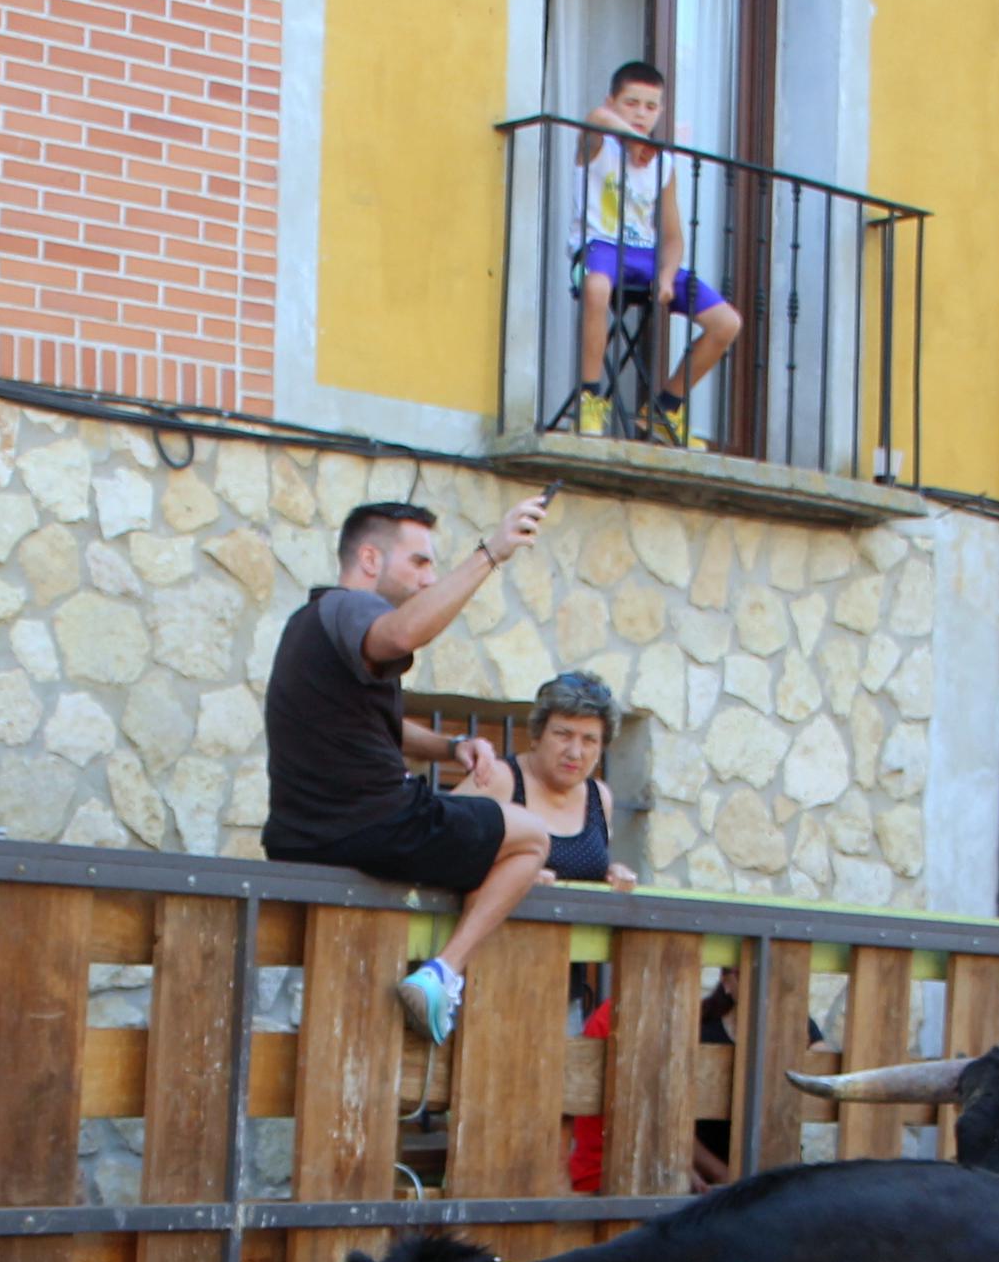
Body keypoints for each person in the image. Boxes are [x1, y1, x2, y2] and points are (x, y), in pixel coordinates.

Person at [260, 497, 560, 1043]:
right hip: (374, 827)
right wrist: (491, 553)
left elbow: (384, 729)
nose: (429, 578)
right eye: (419, 562)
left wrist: (451, 747)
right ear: (370, 559)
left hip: (303, 837)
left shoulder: (310, 624)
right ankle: (442, 974)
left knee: (491, 810)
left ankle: (469, 904)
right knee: (531, 838)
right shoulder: (354, 608)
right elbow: (401, 636)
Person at [568, 61, 744, 446]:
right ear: (612, 102)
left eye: (651, 106)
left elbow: (672, 236)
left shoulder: (663, 165)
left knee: (726, 323)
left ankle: (666, 406)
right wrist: (632, 138)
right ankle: (590, 395)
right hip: (599, 249)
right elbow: (594, 118)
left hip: (646, 257)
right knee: (597, 288)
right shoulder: (599, 146)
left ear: (661, 111)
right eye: (631, 103)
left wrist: (667, 275)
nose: (641, 113)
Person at [487, 671, 638, 887]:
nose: (575, 752)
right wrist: (512, 874)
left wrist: (612, 873)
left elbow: (585, 869)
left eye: (589, 740)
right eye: (563, 735)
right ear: (537, 735)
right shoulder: (500, 779)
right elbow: (442, 850)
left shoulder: (599, 796)